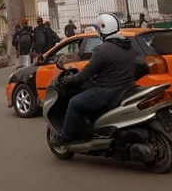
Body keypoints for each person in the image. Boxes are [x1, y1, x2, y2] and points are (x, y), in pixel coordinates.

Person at [53, 13, 136, 144]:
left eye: (98, 29)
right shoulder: (128, 46)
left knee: (74, 103)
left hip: (106, 91)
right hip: (126, 88)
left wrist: (71, 79)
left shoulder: (102, 49)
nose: (97, 32)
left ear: (103, 29)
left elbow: (86, 73)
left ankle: (66, 136)